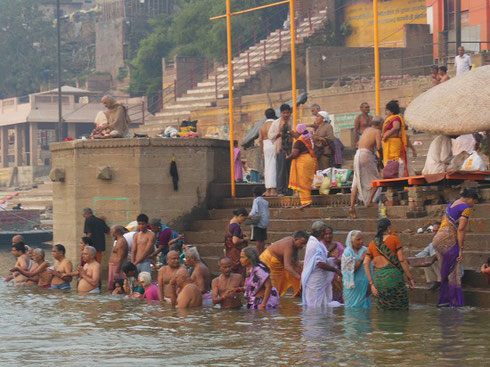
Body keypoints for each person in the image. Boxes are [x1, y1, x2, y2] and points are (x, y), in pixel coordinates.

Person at [432, 188, 478, 307]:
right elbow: (461, 229)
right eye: (474, 201)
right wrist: (461, 249)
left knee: (445, 271)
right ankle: (454, 302)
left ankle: (444, 300)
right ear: (471, 199)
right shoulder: (466, 208)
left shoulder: (451, 205)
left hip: (437, 240)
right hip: (449, 240)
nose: (474, 205)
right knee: (454, 272)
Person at [364, 218, 415, 310]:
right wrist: (409, 278)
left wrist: (372, 284)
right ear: (389, 228)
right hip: (393, 278)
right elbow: (402, 260)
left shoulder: (372, 244)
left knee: (383, 310)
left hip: (379, 281)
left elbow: (365, 263)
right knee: (401, 308)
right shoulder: (394, 239)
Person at [301, 221, 343, 308]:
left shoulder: (318, 243)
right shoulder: (313, 244)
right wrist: (335, 270)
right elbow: (319, 263)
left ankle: (322, 320)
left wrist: (332, 260)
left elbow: (323, 257)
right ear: (321, 232)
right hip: (315, 280)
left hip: (320, 280)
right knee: (314, 305)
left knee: (322, 304)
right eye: (324, 232)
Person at [349, 115, 383, 219]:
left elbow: (358, 143)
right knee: (376, 179)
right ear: (380, 124)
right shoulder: (377, 132)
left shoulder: (367, 130)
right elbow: (378, 147)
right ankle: (369, 201)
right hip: (366, 155)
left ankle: (351, 207)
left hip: (357, 155)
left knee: (356, 181)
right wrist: (381, 157)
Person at [259, 231, 309, 296]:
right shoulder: (289, 246)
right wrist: (299, 278)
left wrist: (299, 270)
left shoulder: (293, 242)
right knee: (273, 286)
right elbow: (287, 266)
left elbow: (295, 259)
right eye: (302, 243)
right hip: (268, 261)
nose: (303, 246)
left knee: (296, 270)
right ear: (296, 239)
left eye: (304, 244)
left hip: (277, 262)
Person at [268, 104, 297, 196]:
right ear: (281, 113)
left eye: (287, 113)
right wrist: (279, 134)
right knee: (281, 171)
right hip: (280, 149)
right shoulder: (276, 123)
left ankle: (290, 190)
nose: (286, 115)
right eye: (284, 113)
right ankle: (280, 191)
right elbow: (270, 135)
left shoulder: (294, 122)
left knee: (291, 171)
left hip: (292, 150)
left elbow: (298, 134)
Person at [288, 124, 318, 209]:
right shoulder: (309, 139)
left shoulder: (299, 141)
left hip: (303, 162)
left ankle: (306, 202)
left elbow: (295, 154)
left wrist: (287, 158)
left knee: (303, 182)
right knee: (307, 182)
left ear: (298, 132)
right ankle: (306, 201)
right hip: (310, 160)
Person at [341, 231, 371, 308]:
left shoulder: (365, 250)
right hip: (352, 287)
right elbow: (351, 270)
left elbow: (370, 268)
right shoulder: (347, 252)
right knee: (351, 311)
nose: (361, 241)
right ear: (351, 241)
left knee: (364, 311)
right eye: (358, 239)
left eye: (362, 239)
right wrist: (361, 259)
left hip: (364, 285)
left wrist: (370, 284)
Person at [409, 222, 442, 290]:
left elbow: (440, 255)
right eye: (434, 231)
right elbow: (422, 254)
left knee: (433, 260)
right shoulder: (432, 244)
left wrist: (432, 259)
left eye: (437, 231)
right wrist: (410, 260)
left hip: (451, 270)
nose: (435, 233)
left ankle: (441, 281)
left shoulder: (449, 241)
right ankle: (435, 281)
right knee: (426, 260)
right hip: (439, 269)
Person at [382, 100, 409, 178]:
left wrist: (387, 135)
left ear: (391, 110)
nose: (386, 112)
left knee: (394, 160)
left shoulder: (396, 118)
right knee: (391, 160)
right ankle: (392, 175)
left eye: (387, 110)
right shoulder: (391, 118)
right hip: (390, 143)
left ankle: (395, 175)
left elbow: (396, 127)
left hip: (394, 142)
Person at [259, 108, 278, 197]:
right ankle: (273, 190)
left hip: (265, 146)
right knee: (273, 167)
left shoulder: (262, 126)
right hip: (273, 144)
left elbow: (260, 140)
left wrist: (262, 151)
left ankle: (267, 190)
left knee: (267, 168)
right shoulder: (274, 123)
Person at [224, 208, 249, 275]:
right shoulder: (236, 226)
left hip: (229, 251)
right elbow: (235, 241)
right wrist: (244, 239)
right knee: (238, 272)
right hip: (236, 253)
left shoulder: (230, 223)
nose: (243, 221)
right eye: (243, 219)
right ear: (240, 215)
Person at [249, 186, 270, 254]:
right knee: (262, 239)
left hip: (258, 222)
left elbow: (254, 211)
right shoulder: (265, 201)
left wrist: (249, 216)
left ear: (254, 194)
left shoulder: (256, 200)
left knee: (258, 239)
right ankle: (262, 252)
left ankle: (258, 253)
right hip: (264, 222)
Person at [108, 225, 129, 291]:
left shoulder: (121, 242)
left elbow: (121, 257)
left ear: (116, 232)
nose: (111, 234)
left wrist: (116, 272)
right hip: (114, 266)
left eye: (111, 232)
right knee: (112, 287)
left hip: (117, 267)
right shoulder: (119, 241)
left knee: (117, 287)